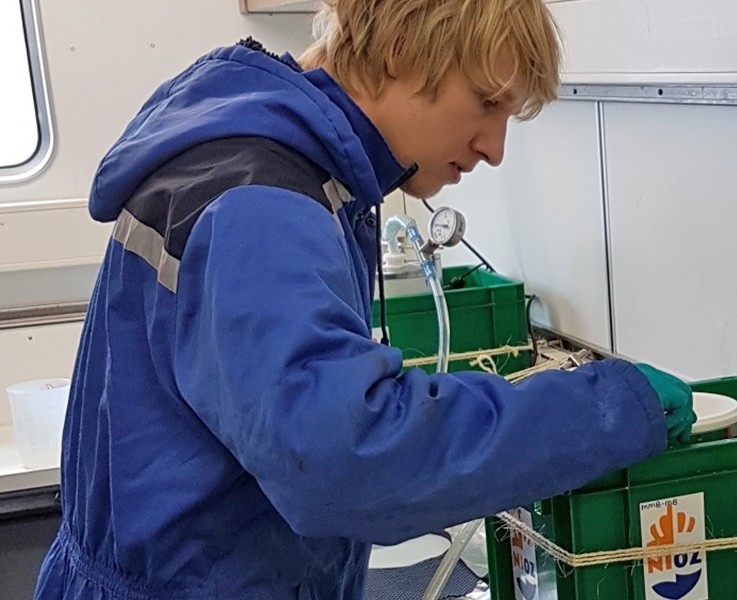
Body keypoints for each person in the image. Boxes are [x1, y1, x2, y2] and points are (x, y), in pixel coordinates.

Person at [33, 0, 695, 598]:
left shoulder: (258, 160)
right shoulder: (260, 205)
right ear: (403, 51)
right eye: (487, 104)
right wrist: (603, 409)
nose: (494, 149)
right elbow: (343, 455)